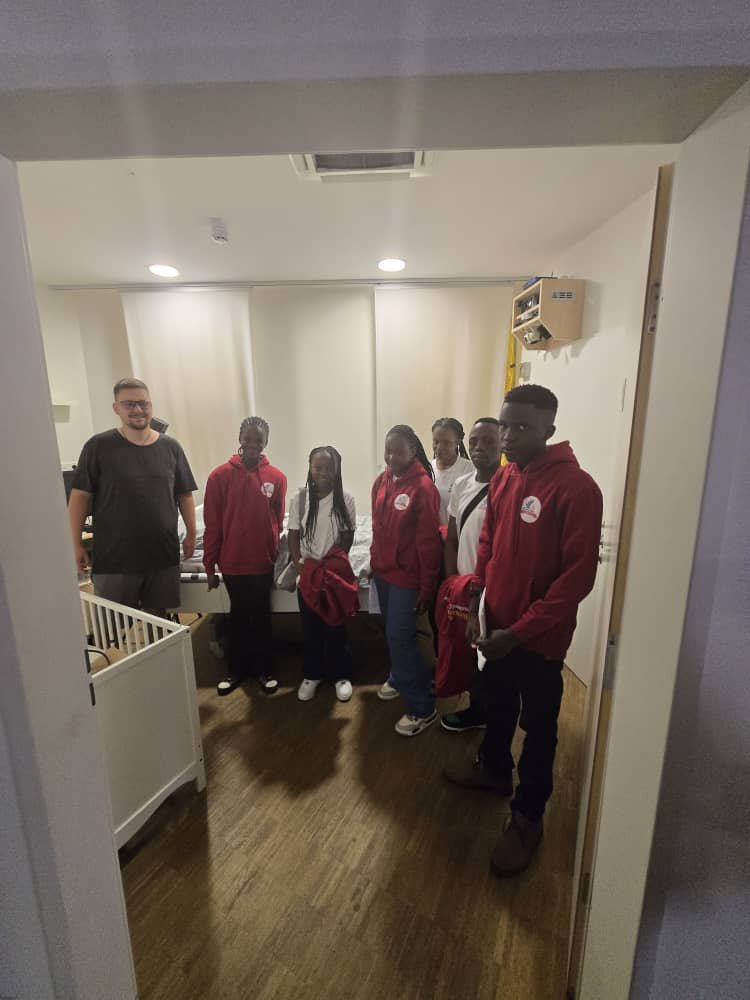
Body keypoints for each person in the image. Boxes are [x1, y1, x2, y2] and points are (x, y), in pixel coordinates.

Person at [444, 384, 602, 877]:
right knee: (496, 704)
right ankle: (494, 771)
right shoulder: (507, 477)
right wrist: (477, 600)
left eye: (522, 427)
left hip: (540, 640)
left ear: (549, 429)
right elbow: (489, 544)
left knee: (538, 729)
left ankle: (528, 818)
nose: (508, 435)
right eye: (505, 424)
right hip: (496, 625)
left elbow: (576, 580)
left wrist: (518, 633)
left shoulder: (577, 488)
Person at [69, 377, 197, 615]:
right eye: (129, 404)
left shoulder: (171, 448)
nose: (138, 410)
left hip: (162, 557)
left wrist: (190, 533)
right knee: (114, 626)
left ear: (151, 406)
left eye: (143, 403)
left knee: (159, 625)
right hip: (115, 560)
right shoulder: (98, 447)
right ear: (116, 408)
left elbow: (184, 494)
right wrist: (75, 543)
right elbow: (79, 497)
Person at [203, 416, 287, 696]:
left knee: (261, 616)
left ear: (266, 442)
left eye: (258, 440)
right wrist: (210, 567)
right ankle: (236, 670)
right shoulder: (219, 477)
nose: (252, 444)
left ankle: (264, 670)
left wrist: (272, 549)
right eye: (248, 438)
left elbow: (277, 519)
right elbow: (213, 524)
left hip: (262, 561)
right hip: (233, 562)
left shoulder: (277, 477)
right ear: (240, 438)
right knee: (238, 616)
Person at [371, 425, 442, 736]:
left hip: (407, 577)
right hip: (384, 573)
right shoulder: (382, 480)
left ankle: (422, 708)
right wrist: (373, 561)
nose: (392, 457)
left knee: (400, 637)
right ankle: (400, 677)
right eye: (388, 450)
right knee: (393, 633)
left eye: (399, 451)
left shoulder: (424, 488)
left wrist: (427, 587)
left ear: (413, 451)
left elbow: (428, 544)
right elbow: (377, 527)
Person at [438, 417, 503, 733]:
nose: (479, 448)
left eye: (488, 441)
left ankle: (490, 716)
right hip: (464, 585)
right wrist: (452, 580)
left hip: (494, 590)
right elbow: (452, 538)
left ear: (502, 444)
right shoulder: (462, 485)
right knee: (467, 650)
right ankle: (478, 710)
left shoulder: (508, 486)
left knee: (489, 655)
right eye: (474, 442)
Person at [288, 447, 357, 703]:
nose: (323, 473)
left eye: (329, 468)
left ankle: (341, 675)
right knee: (311, 627)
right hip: (309, 572)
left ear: (337, 470)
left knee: (336, 626)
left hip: (333, 573)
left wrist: (336, 563)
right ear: (310, 467)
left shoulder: (346, 499)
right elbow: (293, 534)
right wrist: (299, 566)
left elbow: (348, 535)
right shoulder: (300, 498)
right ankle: (312, 674)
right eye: (318, 467)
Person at [431, 417, 474, 526]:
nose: (439, 447)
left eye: (446, 442)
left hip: (456, 533)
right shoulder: (428, 468)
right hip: (431, 533)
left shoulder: (469, 470)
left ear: (457, 443)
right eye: (436, 441)